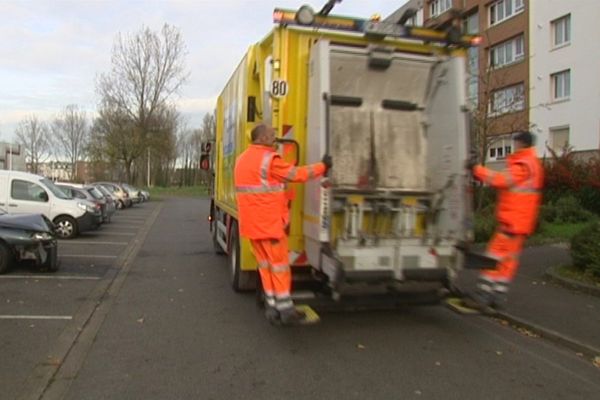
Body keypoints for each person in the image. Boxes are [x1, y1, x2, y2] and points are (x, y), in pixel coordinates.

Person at [234, 123, 332, 325]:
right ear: (261, 138)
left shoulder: (241, 160)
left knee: (265, 267)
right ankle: (286, 310)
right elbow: (297, 175)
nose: (275, 137)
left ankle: (272, 307)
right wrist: (323, 166)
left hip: (252, 227)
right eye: (271, 135)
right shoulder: (268, 160)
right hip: (269, 226)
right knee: (279, 267)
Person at [465, 131, 544, 311]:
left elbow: (501, 180)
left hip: (512, 222)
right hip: (521, 223)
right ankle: (498, 296)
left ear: (522, 144)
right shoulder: (533, 164)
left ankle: (482, 295)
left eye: (515, 143)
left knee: (493, 256)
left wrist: (475, 169)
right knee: (509, 260)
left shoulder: (524, 164)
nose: (513, 146)